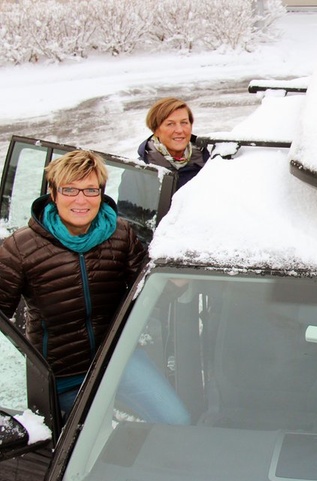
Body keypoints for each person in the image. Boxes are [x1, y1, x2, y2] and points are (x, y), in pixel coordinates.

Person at [0, 150, 190, 424]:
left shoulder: (120, 233)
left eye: (90, 190)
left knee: (176, 421)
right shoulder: (20, 247)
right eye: (70, 190)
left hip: (118, 358)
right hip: (61, 374)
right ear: (53, 193)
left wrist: (175, 283)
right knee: (84, 451)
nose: (81, 200)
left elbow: (146, 292)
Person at [138, 97, 210, 190]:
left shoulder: (208, 162)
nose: (179, 130)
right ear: (156, 130)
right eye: (170, 124)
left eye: (184, 122)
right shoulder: (139, 171)